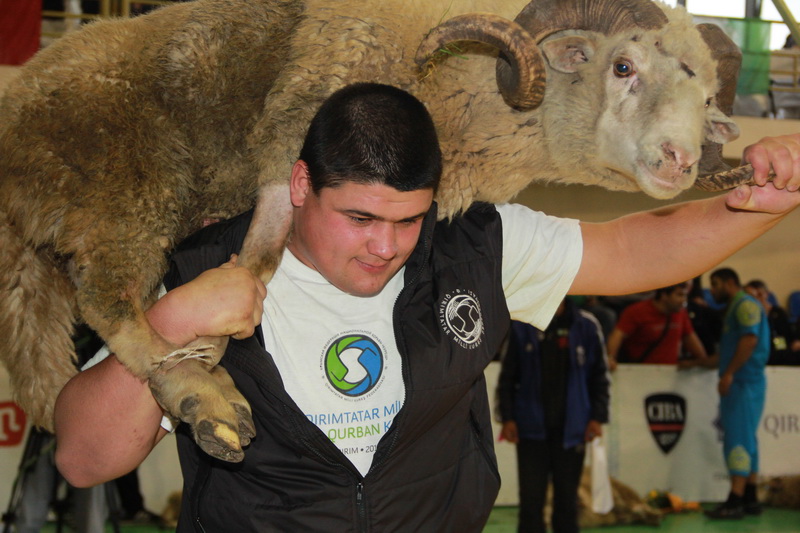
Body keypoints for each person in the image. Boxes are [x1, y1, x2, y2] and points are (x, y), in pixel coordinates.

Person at [52, 82, 800, 532]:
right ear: (302, 184)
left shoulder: (472, 245)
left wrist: (757, 207)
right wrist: (172, 322)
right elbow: (84, 460)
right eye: (360, 218)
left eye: (408, 219)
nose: (385, 246)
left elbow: (634, 249)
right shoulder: (201, 268)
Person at [496, 300, 609, 533]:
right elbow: (507, 377)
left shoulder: (586, 326)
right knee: (530, 501)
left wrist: (597, 418)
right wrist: (507, 418)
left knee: (567, 501)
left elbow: (599, 377)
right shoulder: (522, 325)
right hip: (530, 429)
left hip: (573, 429)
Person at [703, 268, 770, 520]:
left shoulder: (744, 305)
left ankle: (735, 499)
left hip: (743, 382)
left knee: (738, 438)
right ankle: (750, 496)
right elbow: (732, 349)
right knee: (748, 438)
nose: (712, 290)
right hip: (748, 381)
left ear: (730, 282)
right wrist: (696, 363)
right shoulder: (738, 307)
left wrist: (729, 373)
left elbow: (750, 340)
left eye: (716, 284)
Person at [606, 283, 708, 369]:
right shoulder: (636, 311)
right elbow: (617, 336)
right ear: (664, 295)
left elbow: (693, 342)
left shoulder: (680, 314)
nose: (683, 301)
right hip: (641, 373)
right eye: (679, 295)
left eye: (685, 296)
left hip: (670, 373)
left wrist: (702, 362)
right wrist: (610, 360)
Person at [744, 278, 800, 365]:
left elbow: (789, 335)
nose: (758, 298)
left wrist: (796, 342)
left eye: (760, 294)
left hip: (782, 350)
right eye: (753, 296)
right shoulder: (747, 315)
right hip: (762, 352)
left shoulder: (778, 312)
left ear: (767, 294)